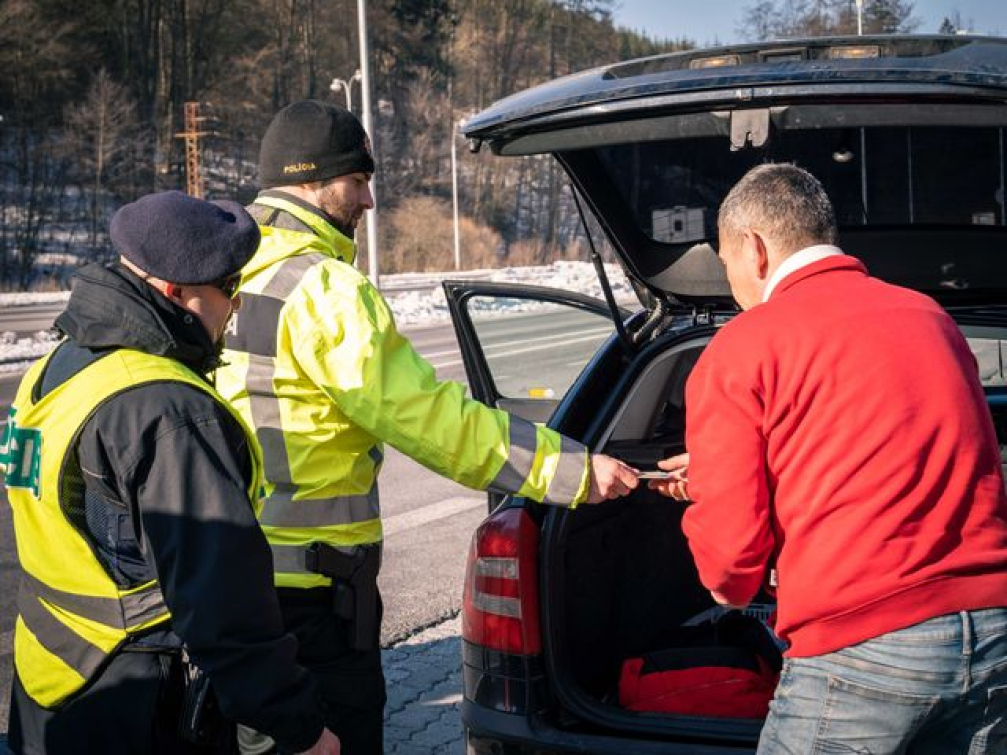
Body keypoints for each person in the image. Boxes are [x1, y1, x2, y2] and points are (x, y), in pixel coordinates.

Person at [214, 100, 639, 754]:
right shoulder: (325, 288)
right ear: (309, 181)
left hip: (231, 590)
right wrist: (572, 469)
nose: (370, 199)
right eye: (357, 180)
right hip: (314, 601)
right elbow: (433, 421)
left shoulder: (224, 273)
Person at [651, 162, 1007, 752]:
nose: (730, 280)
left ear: (754, 250)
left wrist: (718, 498)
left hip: (863, 650)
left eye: (725, 260)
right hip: (994, 631)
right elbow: (933, 449)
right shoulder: (929, 317)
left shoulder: (744, 345)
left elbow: (732, 568)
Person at [1, 191, 339, 755]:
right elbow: (224, 608)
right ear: (174, 292)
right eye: (227, 289)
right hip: (134, 698)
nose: (234, 307)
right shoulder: (166, 409)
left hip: (49, 683)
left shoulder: (57, 368)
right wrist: (298, 727)